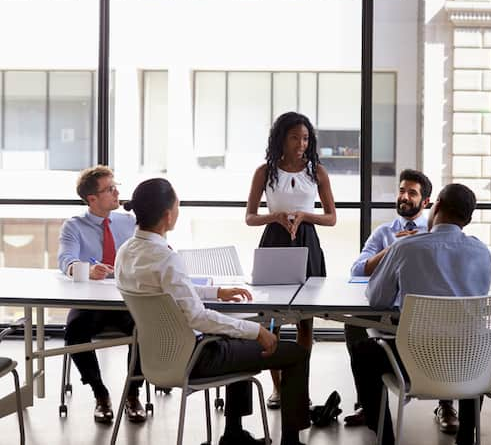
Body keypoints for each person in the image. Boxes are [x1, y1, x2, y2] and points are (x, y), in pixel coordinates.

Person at [116, 178, 310, 445]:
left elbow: (169, 294)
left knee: (235, 337)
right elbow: (197, 317)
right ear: (168, 215)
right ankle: (291, 441)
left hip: (156, 359)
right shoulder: (165, 257)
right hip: (195, 358)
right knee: (294, 353)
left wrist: (216, 292)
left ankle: (234, 434)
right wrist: (257, 331)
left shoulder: (125, 252)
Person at [350, 183, 491, 445]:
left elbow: (377, 299)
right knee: (476, 345)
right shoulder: (482, 252)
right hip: (468, 362)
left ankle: (385, 438)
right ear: (468, 220)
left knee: (363, 353)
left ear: (435, 205)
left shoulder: (405, 248)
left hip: (414, 358)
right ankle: (466, 437)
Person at [345, 170, 459, 434]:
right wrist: (394, 249)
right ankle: (369, 402)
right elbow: (358, 269)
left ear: (427, 202)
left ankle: (446, 404)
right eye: (402, 190)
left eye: (412, 192)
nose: (404, 197)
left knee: (448, 329)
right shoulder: (384, 232)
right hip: (390, 312)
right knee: (353, 326)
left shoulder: (436, 234)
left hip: (431, 316)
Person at [245, 111, 336, 409]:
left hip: (307, 243)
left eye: (306, 138)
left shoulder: (317, 172)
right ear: (281, 139)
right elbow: (249, 217)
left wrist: (304, 215)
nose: (301, 144)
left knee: (305, 323)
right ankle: (279, 388)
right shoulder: (264, 172)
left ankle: (300, 389)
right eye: (295, 137)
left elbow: (332, 218)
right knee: (272, 322)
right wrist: (277, 217)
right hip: (274, 242)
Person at [57, 165, 145, 424]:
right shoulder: (74, 226)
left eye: (116, 186)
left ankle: (133, 393)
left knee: (147, 327)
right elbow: (66, 260)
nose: (117, 192)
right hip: (90, 304)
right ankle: (100, 393)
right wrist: (84, 268)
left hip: (127, 301)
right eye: (110, 189)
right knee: (74, 331)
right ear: (92, 199)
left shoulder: (128, 222)